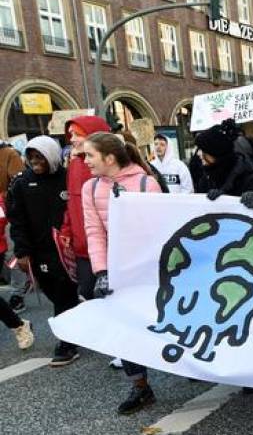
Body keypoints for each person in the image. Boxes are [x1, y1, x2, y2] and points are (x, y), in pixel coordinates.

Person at [81, 132, 165, 413]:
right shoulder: (89, 189)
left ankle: (199, 368)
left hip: (148, 269)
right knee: (125, 328)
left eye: (90, 155)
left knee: (165, 323)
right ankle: (140, 387)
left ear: (110, 157)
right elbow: (94, 232)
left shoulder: (146, 183)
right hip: (116, 272)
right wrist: (101, 271)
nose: (85, 160)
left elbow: (160, 231)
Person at [6, 136, 80, 366]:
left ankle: (66, 343)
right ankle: (75, 322)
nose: (35, 161)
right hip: (38, 250)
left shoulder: (67, 179)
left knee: (63, 292)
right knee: (52, 291)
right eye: (31, 157)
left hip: (66, 248)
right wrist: (22, 251)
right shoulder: (22, 183)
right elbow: (17, 220)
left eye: (40, 157)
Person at [59, 115, 112, 301]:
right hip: (82, 249)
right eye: (70, 134)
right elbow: (71, 203)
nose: (71, 139)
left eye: (77, 134)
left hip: (107, 249)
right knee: (87, 297)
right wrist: (67, 229)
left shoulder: (108, 168)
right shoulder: (74, 165)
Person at [194, 119, 253, 204]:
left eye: (203, 150)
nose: (199, 154)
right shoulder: (205, 180)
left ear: (215, 153)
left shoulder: (251, 179)